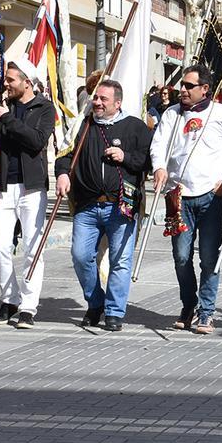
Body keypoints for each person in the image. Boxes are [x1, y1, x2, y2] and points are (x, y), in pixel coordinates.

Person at [151, 64, 222, 334]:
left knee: (208, 258)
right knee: (181, 257)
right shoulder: (171, 114)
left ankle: (207, 312)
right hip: (178, 195)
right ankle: (188, 305)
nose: (183, 90)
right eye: (182, 85)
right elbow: (158, 144)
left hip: (210, 196)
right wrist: (159, 166)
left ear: (205, 89)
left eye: (189, 86)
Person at [57, 79, 152, 331]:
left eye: (103, 99)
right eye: (95, 98)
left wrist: (126, 157)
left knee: (120, 260)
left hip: (121, 205)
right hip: (87, 205)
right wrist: (63, 173)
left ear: (117, 103)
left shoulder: (135, 127)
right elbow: (65, 154)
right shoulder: (83, 125)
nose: (97, 103)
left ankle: (114, 312)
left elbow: (148, 161)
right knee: (80, 256)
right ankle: (95, 302)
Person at [0, 59, 56, 328]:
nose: (6, 84)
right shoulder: (2, 108)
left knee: (33, 249)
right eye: (6, 79)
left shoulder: (44, 108)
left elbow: (36, 141)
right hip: (2, 186)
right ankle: (9, 299)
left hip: (32, 187)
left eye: (11, 80)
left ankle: (28, 307)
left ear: (27, 81)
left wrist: (8, 119)